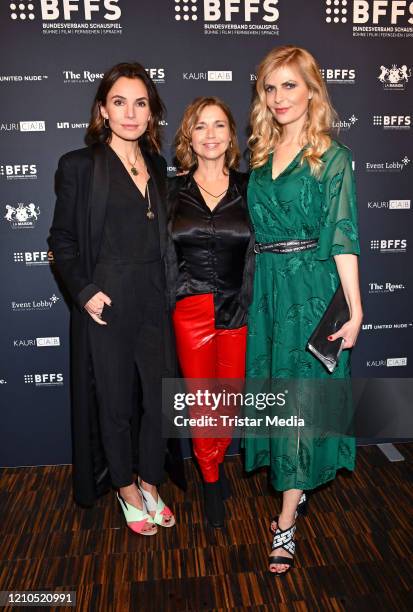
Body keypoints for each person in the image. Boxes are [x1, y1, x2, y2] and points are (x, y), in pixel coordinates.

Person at [244, 46, 363, 574]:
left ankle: (287, 521)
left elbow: (342, 236)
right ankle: (295, 492)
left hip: (311, 293)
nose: (279, 98)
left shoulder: (332, 157)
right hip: (269, 294)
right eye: (270, 87)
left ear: (312, 90)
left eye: (290, 85)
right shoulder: (261, 154)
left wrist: (354, 309)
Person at [49, 62, 177, 535]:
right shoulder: (79, 166)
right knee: (117, 402)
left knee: (159, 400)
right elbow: (61, 241)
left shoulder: (160, 167)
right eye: (119, 102)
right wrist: (84, 293)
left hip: (155, 296)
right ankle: (125, 486)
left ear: (151, 112)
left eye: (140, 103)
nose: (130, 112)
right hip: (108, 300)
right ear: (103, 110)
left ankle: (150, 479)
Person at [167, 97, 254, 528]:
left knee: (229, 400)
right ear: (189, 136)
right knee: (204, 402)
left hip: (238, 306)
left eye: (219, 125)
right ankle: (210, 476)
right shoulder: (171, 192)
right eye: (200, 126)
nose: (210, 135)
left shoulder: (250, 186)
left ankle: (215, 462)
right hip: (192, 308)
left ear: (231, 135)